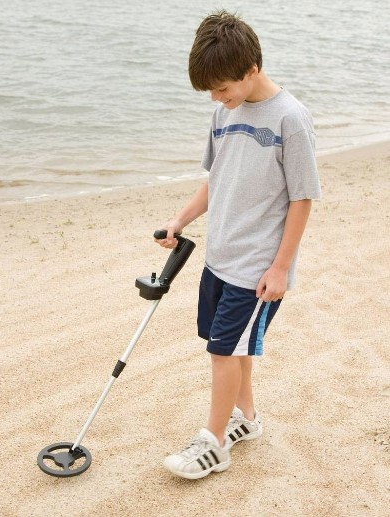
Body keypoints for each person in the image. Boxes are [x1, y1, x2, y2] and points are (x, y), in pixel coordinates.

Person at [155, 10, 322, 479]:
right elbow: (216, 179)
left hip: (257, 268)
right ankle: (245, 420)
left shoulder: (291, 118)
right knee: (232, 345)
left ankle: (213, 444)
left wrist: (280, 268)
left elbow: (302, 198)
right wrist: (180, 219)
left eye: (223, 87)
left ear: (251, 69)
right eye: (210, 91)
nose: (217, 98)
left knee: (222, 352)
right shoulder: (222, 113)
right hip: (219, 258)